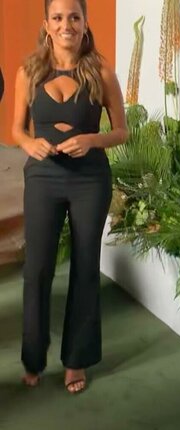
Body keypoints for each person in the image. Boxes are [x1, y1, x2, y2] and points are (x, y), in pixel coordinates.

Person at [11, 0, 128, 393]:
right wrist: (31, 145)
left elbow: (122, 131)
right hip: (43, 177)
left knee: (84, 266)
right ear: (47, 24)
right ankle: (33, 357)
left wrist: (91, 140)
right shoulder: (28, 72)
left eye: (74, 17)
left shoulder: (101, 72)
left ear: (84, 22)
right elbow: (17, 130)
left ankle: (76, 360)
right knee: (37, 268)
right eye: (58, 18)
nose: (67, 25)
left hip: (89, 180)